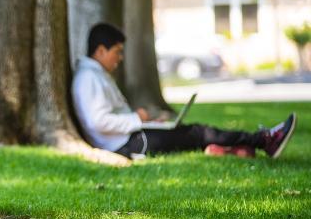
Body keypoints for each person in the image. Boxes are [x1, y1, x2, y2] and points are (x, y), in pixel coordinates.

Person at [72, 22, 297, 159]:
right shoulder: (89, 78)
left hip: (132, 135)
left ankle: (233, 148)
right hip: (128, 142)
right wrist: (136, 119)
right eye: (117, 52)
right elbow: (97, 122)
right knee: (197, 132)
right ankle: (265, 140)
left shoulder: (95, 75)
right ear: (100, 51)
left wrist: (144, 121)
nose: (119, 59)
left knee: (190, 133)